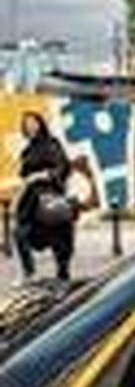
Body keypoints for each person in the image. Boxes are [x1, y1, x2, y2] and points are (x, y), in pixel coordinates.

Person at [13, 111, 74, 284]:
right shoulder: (27, 151)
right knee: (20, 233)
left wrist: (42, 175)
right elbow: (24, 176)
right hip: (30, 200)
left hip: (50, 196)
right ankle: (29, 273)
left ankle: (63, 274)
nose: (30, 126)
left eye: (33, 122)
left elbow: (63, 167)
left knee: (59, 235)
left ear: (40, 124)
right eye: (26, 124)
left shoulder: (52, 143)